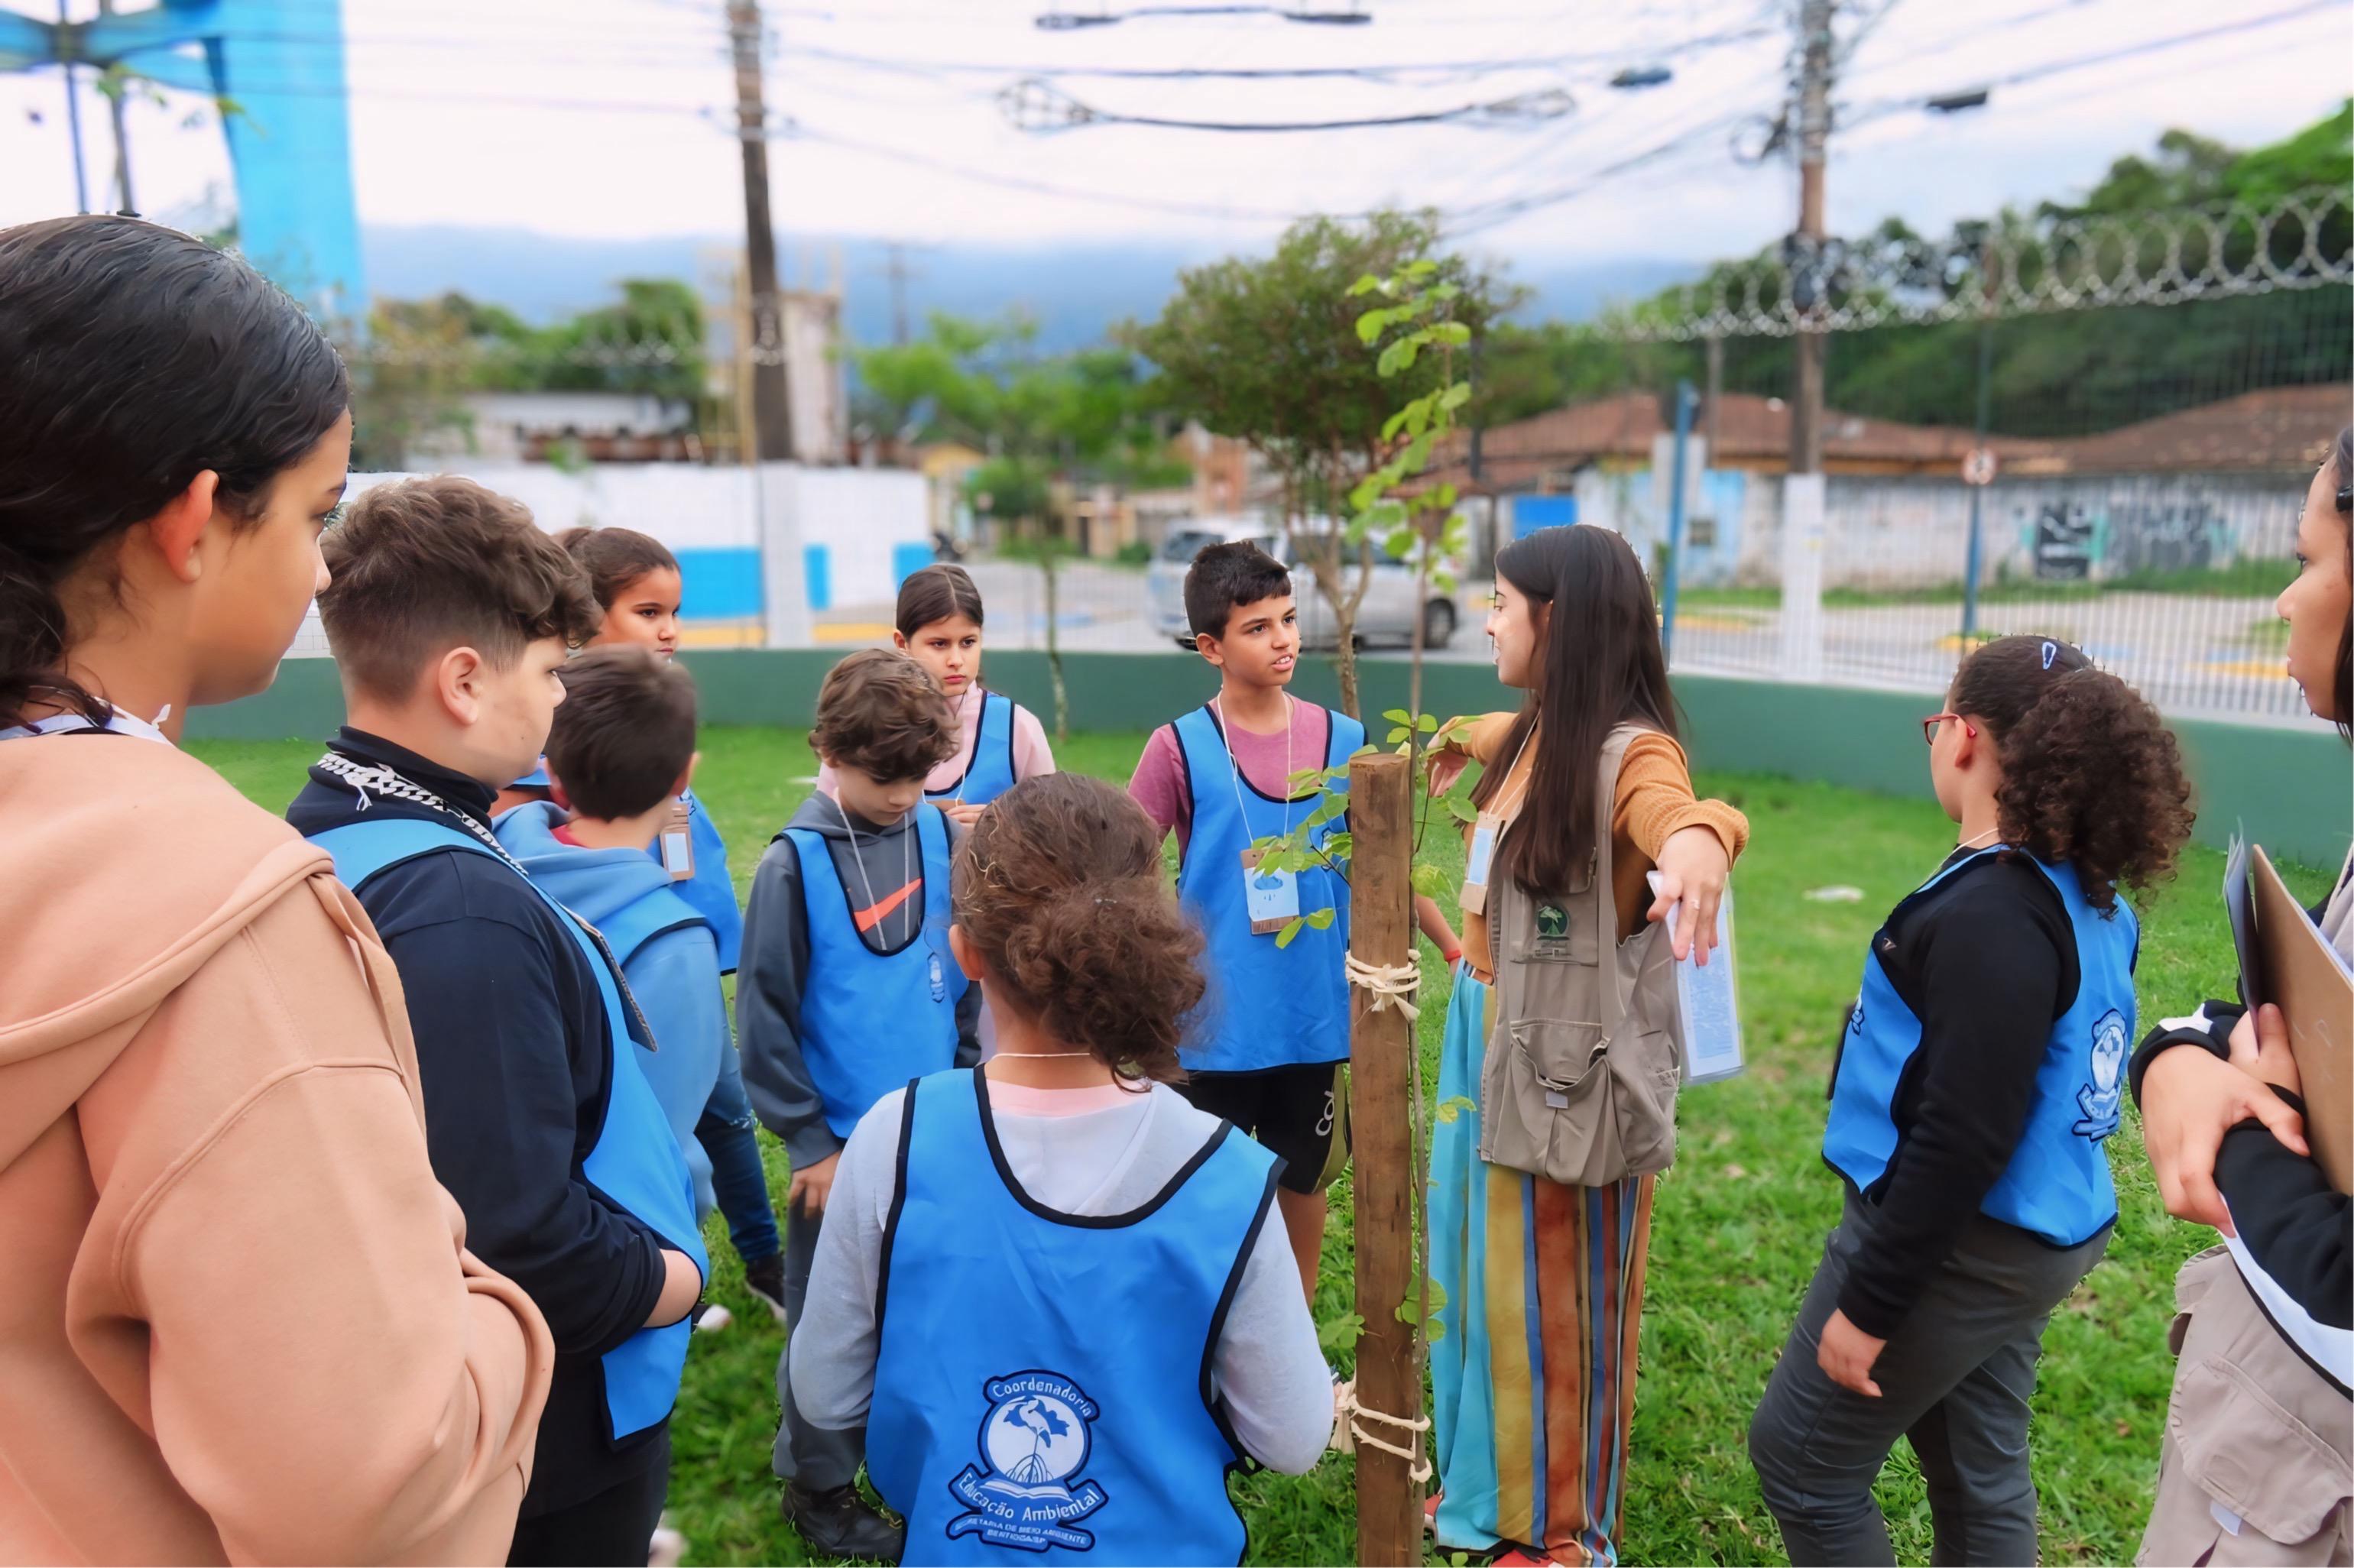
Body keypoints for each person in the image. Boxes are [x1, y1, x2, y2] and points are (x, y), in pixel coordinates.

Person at [0, 214, 552, 1564]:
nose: (319, 571)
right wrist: (483, 1310)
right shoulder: (218, 913)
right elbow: (368, 1483)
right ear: (194, 519)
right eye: (315, 513)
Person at [288, 477, 707, 1568]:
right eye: (551, 670)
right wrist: (677, 1280)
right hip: (549, 1436)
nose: (563, 700)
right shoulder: (462, 909)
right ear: (467, 680)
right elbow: (511, 1235)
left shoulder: (338, 826)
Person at [788, 773, 1336, 1564]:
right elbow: (1290, 1438)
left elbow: (825, 1390)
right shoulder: (1227, 1173)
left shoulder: (894, 1138)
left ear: (965, 949)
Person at [1747, 633, 2197, 1566]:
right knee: (1975, 1472)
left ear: (1958, 738)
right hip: (2034, 1228)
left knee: (1800, 1462)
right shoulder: (2082, 892)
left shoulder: (1995, 916)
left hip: (1963, 1239)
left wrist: (1869, 1305)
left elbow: (1961, 1135)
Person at [1419, 523, 1747, 1566]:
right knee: (1476, 1286)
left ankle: (1560, 1535)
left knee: (1556, 1304)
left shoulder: (1629, 750)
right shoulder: (1530, 735)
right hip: (1484, 1037)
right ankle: (1483, 1497)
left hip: (1563, 1062)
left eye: (1504, 604)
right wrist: (1444, 738)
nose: (1489, 617)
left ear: (1554, 621)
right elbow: (1483, 731)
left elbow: (1681, 811)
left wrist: (1702, 845)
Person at [2132, 425, 2352, 1566]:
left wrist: (2235, 1131)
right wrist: (2178, 1051)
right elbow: (2311, 1047)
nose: (2284, 598)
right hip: (2271, 1459)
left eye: (2310, 557)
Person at [738, 647, 982, 1560]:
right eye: (888, 777)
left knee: (919, 1301)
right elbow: (761, 1022)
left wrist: (962, 1082)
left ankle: (906, 1449)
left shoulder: (935, 833)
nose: (906, 795)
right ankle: (818, 1484)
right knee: (828, 1321)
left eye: (921, 776)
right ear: (827, 751)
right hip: (836, 1154)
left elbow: (959, 979)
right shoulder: (791, 868)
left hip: (932, 1131)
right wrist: (808, 1143)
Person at [531, 523, 788, 1327]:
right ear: (584, 618)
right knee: (652, 1129)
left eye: (674, 612)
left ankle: (760, 1266)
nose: (669, 630)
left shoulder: (650, 703)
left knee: (727, 1112)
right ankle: (660, 1279)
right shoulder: (553, 723)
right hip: (628, 969)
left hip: (681, 956)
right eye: (648, 611)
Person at [1127, 540, 1367, 1304]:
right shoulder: (1176, 748)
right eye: (1257, 627)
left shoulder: (1343, 745)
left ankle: (1291, 1334)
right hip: (1211, 1025)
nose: (1284, 639)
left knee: (1302, 1181)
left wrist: (1456, 941)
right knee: (1209, 1193)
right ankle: (1211, 1327)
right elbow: (1124, 865)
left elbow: (1381, 870)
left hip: (1312, 1019)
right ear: (1210, 647)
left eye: (1289, 619)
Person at [495, 646, 727, 1229]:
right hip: (623, 1255)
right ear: (685, 778)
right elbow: (660, 1132)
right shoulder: (674, 944)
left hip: (486, 1216)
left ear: (552, 775)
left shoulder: (481, 862)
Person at [815, 562, 1055, 823]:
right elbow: (828, 825)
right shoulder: (867, 720)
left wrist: (999, 827)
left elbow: (1053, 831)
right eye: (939, 644)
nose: (956, 660)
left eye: (968, 642)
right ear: (902, 644)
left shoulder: (1017, 727)